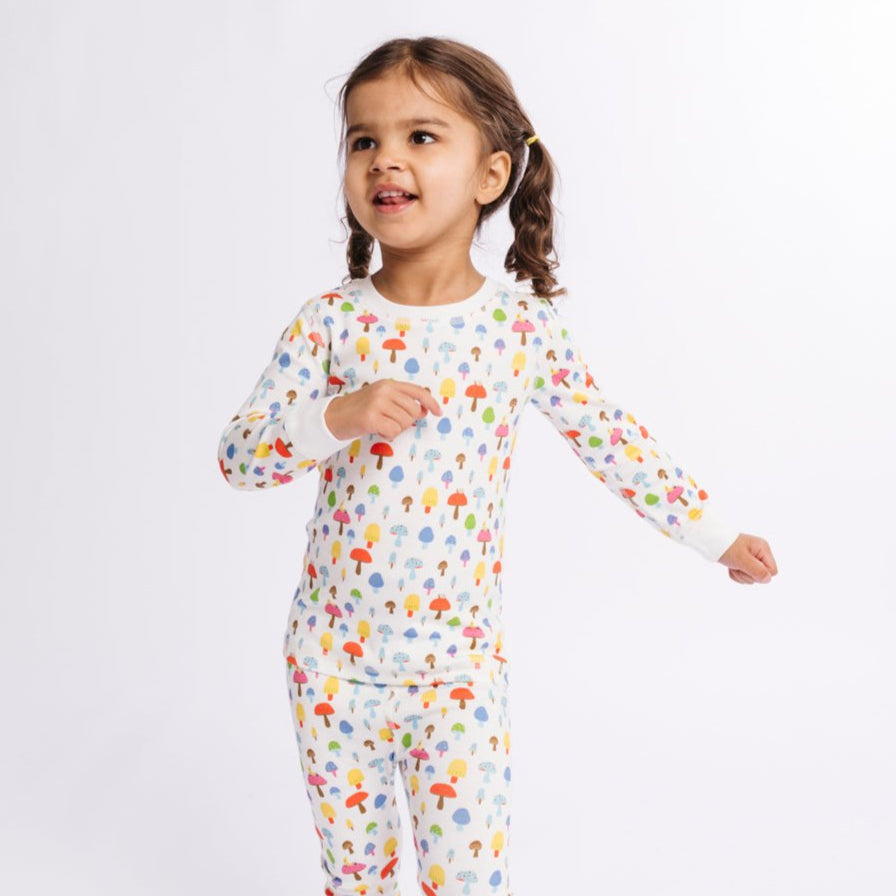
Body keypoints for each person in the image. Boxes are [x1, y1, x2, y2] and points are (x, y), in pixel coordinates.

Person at [216, 36, 778, 896]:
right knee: (356, 877)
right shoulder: (328, 323)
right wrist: (336, 415)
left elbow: (610, 438)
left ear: (491, 174)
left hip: (458, 677)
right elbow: (239, 458)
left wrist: (716, 535)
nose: (384, 159)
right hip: (330, 670)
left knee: (470, 880)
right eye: (363, 140)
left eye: (420, 136)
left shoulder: (518, 328)